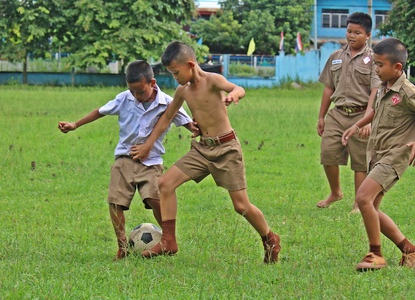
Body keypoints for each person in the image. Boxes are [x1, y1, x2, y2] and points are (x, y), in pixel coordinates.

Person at [130, 41, 281, 263]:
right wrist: (147, 145)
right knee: (165, 184)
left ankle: (270, 238)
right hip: (202, 149)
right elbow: (166, 119)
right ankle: (169, 241)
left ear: (190, 64)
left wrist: (235, 95)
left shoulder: (213, 81)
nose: (175, 78)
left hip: (226, 149)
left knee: (241, 206)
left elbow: (237, 88)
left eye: (176, 72)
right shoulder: (182, 91)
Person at [58, 60, 198, 260]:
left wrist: (195, 129)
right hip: (124, 158)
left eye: (140, 92)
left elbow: (186, 122)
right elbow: (100, 112)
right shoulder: (124, 98)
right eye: (132, 91)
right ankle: (122, 245)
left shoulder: (167, 102)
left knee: (155, 199)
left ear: (152, 83)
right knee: (115, 201)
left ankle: (167, 240)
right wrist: (75, 124)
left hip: (151, 162)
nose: (136, 96)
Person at [342, 37, 415, 271]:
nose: (376, 69)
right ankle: (409, 250)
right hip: (378, 153)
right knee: (371, 207)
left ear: (397, 67)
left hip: (396, 155)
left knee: (363, 198)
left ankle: (376, 255)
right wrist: (356, 125)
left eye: (380, 64)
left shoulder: (406, 90)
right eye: (374, 63)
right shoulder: (385, 87)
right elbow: (375, 112)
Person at [316, 12, 380, 212]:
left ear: (367, 35)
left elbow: (375, 91)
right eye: (349, 31)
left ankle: (358, 203)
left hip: (361, 115)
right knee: (327, 153)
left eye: (357, 33)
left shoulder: (373, 60)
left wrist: (368, 120)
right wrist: (321, 116)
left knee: (360, 161)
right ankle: (335, 193)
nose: (352, 36)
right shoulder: (335, 57)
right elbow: (328, 87)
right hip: (338, 113)